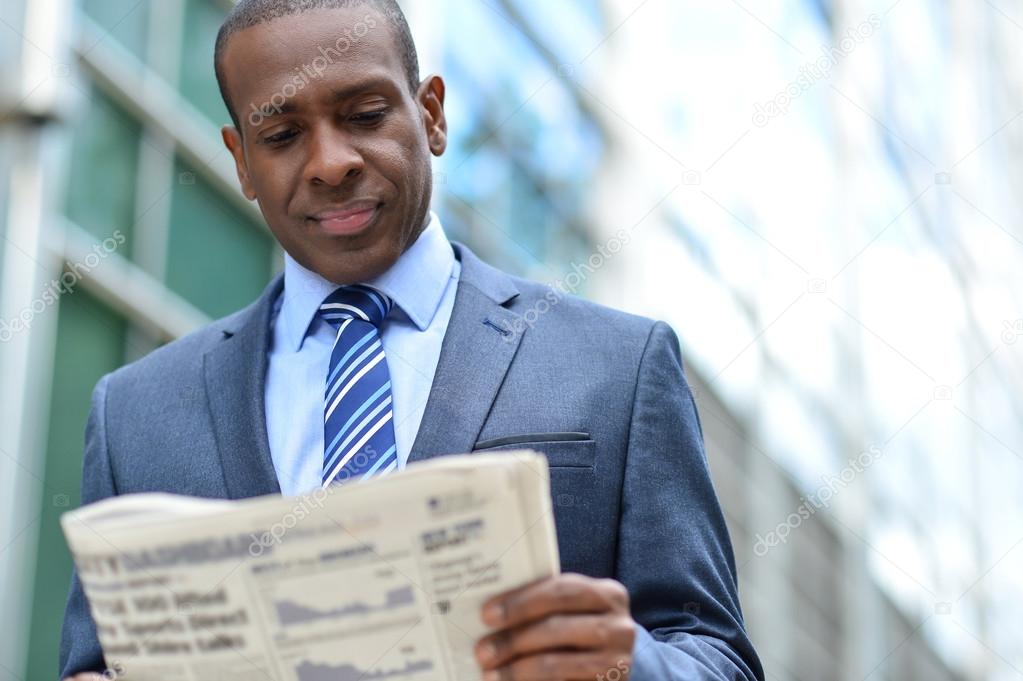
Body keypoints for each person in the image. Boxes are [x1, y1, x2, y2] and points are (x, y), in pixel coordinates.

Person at [60, 1, 763, 680]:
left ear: (430, 113)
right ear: (240, 160)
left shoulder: (618, 368)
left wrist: (623, 663)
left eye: (365, 116)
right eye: (280, 137)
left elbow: (714, 657)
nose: (330, 163)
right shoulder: (134, 414)